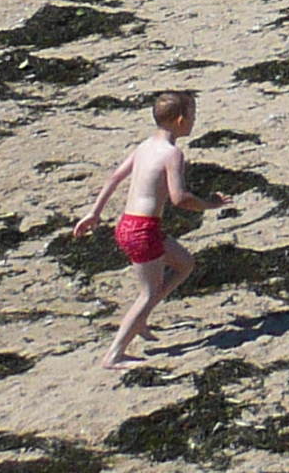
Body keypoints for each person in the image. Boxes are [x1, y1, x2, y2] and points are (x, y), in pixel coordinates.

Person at [70, 89, 224, 368]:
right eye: (192, 116)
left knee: (185, 264)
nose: (194, 121)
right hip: (143, 230)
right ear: (179, 120)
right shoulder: (172, 153)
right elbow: (180, 198)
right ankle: (114, 354)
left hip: (128, 224)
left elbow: (116, 176)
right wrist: (211, 204)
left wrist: (95, 213)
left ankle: (139, 322)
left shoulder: (145, 145)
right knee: (148, 293)